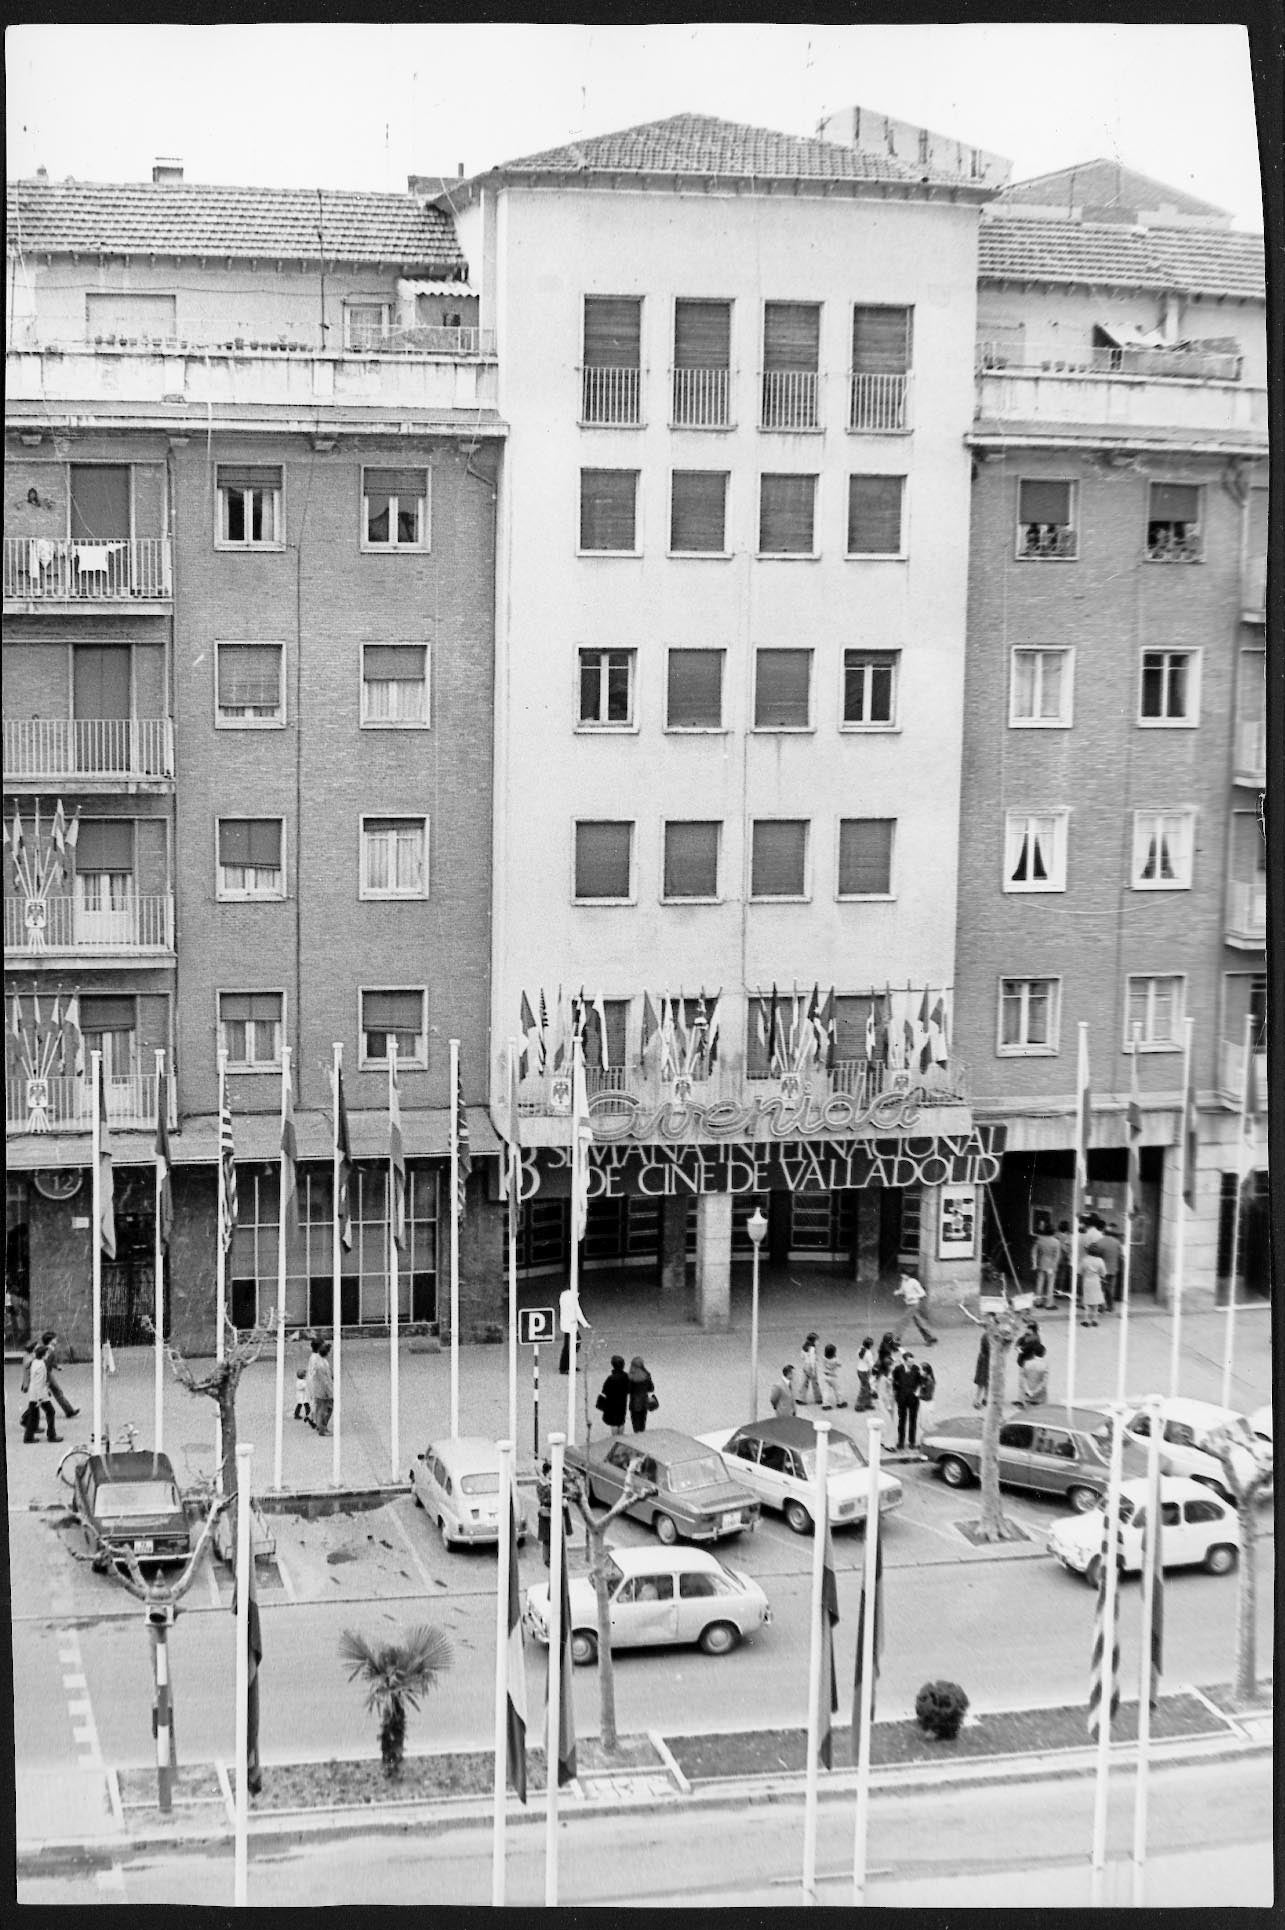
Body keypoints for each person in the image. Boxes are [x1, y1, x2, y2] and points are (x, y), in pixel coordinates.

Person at [22, 1344, 61, 1443]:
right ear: (44, 1355)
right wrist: (40, 1399)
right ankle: (51, 1435)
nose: (48, 1354)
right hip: (39, 1395)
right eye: (46, 1353)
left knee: (33, 1415)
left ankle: (28, 1437)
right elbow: (39, 1383)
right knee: (50, 1411)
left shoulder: (35, 1362)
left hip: (34, 1394)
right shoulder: (40, 1365)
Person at [37, 1331, 79, 1419]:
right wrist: (46, 1381)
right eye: (54, 1339)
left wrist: (56, 1366)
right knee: (44, 1396)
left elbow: (48, 1362)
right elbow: (45, 1364)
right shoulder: (49, 1350)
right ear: (50, 1340)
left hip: (47, 1374)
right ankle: (27, 1416)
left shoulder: (49, 1349)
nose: (56, 1340)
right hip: (46, 1375)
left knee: (57, 1392)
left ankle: (69, 1411)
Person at [893, 1269, 938, 1345]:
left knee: (903, 1321)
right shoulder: (904, 1281)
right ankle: (930, 1337)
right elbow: (903, 1290)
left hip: (914, 1304)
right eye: (902, 1275)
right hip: (908, 1304)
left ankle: (896, 1338)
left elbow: (922, 1294)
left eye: (904, 1274)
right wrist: (898, 1292)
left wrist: (913, 1297)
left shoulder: (914, 1282)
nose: (902, 1276)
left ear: (908, 1275)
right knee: (919, 1322)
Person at [1088, 1222, 1123, 1313]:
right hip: (1113, 1268)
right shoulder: (1117, 1242)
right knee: (1110, 1288)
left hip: (1102, 1269)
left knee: (1101, 1288)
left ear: (1104, 1232)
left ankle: (1103, 1306)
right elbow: (1120, 1255)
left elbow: (1097, 1255)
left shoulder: (1100, 1242)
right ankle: (1110, 1306)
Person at [892, 1350, 924, 1450]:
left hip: (913, 1400)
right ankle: (901, 1442)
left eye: (912, 1361)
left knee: (913, 1421)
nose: (912, 1363)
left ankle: (912, 1441)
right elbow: (894, 1382)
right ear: (904, 1361)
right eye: (909, 1362)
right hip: (902, 1399)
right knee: (902, 1420)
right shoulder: (898, 1369)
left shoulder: (916, 1369)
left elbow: (920, 1382)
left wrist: (917, 1393)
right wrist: (896, 1395)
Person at [558, 1282, 590, 1374]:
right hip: (570, 1325)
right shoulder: (571, 1297)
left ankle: (567, 1365)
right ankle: (565, 1367)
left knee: (570, 1345)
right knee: (572, 1345)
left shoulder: (565, 1295)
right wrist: (585, 1324)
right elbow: (577, 1311)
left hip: (567, 1324)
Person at [595, 1354, 630, 1436]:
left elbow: (604, 1391)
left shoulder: (610, 1378)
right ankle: (621, 1436)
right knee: (621, 1421)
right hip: (622, 1403)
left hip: (612, 1403)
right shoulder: (626, 1377)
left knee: (613, 1422)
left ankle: (614, 1438)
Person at [1016, 1323, 1049, 1405]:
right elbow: (1020, 1340)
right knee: (1026, 1379)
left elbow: (1025, 1348)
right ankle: (1022, 1398)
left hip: (1027, 1360)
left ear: (1031, 1329)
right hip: (1026, 1360)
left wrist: (1019, 1348)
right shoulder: (1028, 1336)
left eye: (1027, 1328)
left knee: (1025, 1379)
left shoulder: (1033, 1339)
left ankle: (1022, 1399)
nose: (1025, 1329)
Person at [1030, 1228, 1061, 1309]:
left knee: (1040, 1283)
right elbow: (1057, 1256)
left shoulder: (1040, 1240)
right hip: (1051, 1264)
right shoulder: (1056, 1241)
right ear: (1053, 1232)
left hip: (1042, 1262)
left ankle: (1038, 1301)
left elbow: (1034, 1252)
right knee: (1050, 1284)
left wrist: (1034, 1263)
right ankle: (1049, 1303)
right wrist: (1054, 1266)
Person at [626, 1355, 656, 1433]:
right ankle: (641, 1440)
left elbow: (628, 1390)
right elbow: (651, 1388)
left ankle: (636, 1440)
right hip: (644, 1403)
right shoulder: (646, 1375)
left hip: (634, 1404)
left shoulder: (630, 1376)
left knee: (636, 1426)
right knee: (642, 1425)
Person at [313, 1340, 335, 1435]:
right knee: (327, 1409)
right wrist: (330, 1392)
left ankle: (319, 1425)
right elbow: (325, 1381)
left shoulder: (321, 1361)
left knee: (320, 1408)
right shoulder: (322, 1365)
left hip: (319, 1389)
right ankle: (323, 1428)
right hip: (324, 1390)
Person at [1080, 1248, 1107, 1327]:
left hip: (1087, 1282)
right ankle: (1095, 1319)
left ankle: (1086, 1320)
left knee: (1087, 1301)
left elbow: (1080, 1271)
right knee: (1096, 1301)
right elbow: (1103, 1273)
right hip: (1096, 1281)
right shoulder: (1100, 1260)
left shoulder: (1084, 1260)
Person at [798, 1332, 823, 1405]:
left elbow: (801, 1356)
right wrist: (813, 1369)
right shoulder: (812, 1349)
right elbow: (812, 1359)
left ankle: (801, 1398)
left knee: (804, 1382)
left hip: (805, 1366)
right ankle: (818, 1398)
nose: (818, 1342)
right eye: (817, 1340)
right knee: (815, 1383)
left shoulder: (804, 1347)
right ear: (813, 1341)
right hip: (811, 1366)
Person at [821, 1341, 845, 1409]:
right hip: (833, 1377)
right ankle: (840, 1402)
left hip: (825, 1375)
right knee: (838, 1390)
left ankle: (825, 1404)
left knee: (826, 1391)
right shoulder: (835, 1360)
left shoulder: (824, 1358)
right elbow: (840, 1364)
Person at [854, 1337, 876, 1412]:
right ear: (870, 1345)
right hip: (865, 1372)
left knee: (867, 1387)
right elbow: (871, 1364)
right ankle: (859, 1405)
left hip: (859, 1370)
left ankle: (867, 1402)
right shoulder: (868, 1353)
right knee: (864, 1388)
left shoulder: (860, 1349)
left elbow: (857, 1356)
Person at [1054, 1220, 1073, 1300]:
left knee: (1056, 1276)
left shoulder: (1055, 1235)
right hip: (1063, 1259)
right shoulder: (1068, 1237)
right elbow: (1067, 1249)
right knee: (1062, 1276)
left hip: (1055, 1258)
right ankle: (1060, 1293)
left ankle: (1055, 1291)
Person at [972, 1329, 991, 1407]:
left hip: (987, 1359)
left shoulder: (988, 1335)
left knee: (987, 1380)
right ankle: (978, 1399)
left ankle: (985, 1398)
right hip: (986, 1360)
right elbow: (989, 1348)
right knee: (983, 1380)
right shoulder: (987, 1336)